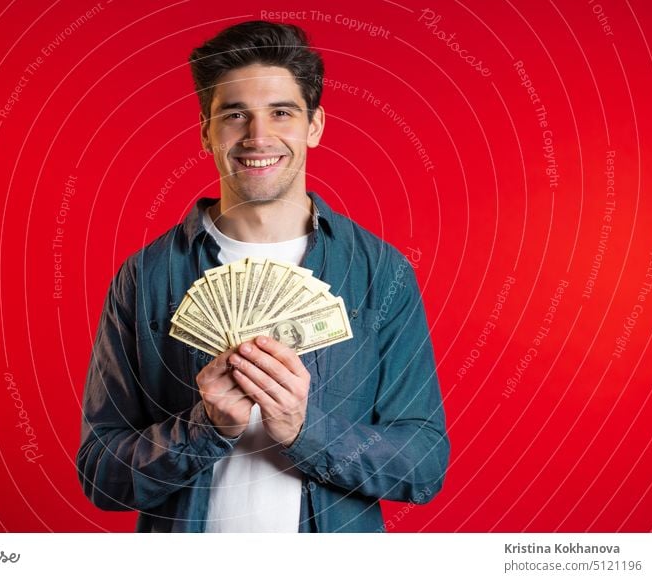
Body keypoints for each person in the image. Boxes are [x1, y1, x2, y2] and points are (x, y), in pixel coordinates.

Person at [77, 20, 450, 532]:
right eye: (235, 114)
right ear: (206, 130)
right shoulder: (145, 276)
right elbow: (100, 475)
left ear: (314, 125)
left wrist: (304, 430)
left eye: (281, 112)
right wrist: (203, 428)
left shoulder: (381, 273)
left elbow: (424, 466)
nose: (258, 137)